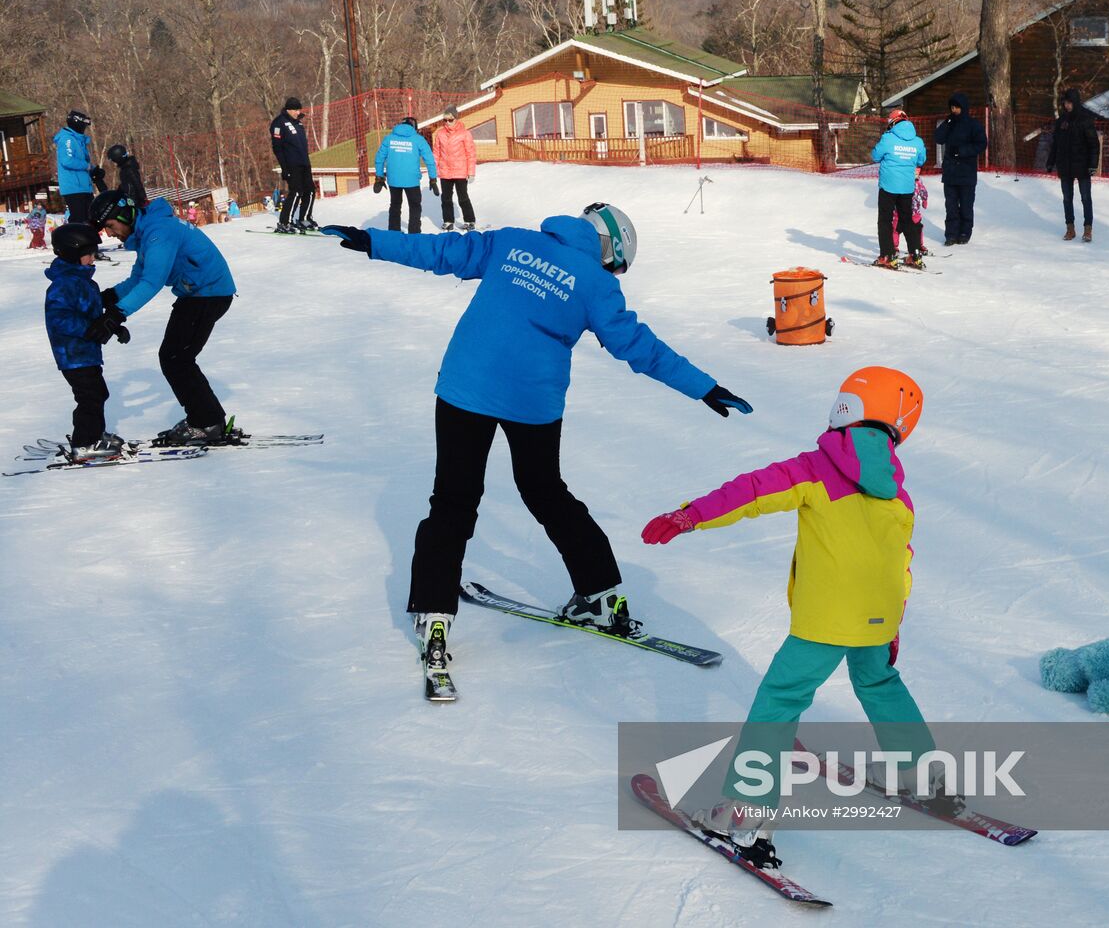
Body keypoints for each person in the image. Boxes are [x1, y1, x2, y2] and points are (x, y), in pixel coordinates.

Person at [320, 204, 753, 687]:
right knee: (545, 491)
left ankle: (433, 615)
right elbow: (640, 347)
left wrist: (376, 241)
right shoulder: (596, 284)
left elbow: (441, 250)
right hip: (532, 399)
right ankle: (601, 595)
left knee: (453, 501)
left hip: (467, 386)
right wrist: (704, 387)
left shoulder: (513, 241)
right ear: (609, 252)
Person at [641, 366, 938, 867]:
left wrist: (689, 514)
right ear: (900, 424)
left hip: (824, 623)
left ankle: (744, 813)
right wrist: (892, 625)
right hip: (877, 619)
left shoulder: (815, 468)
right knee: (880, 682)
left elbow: (751, 491)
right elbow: (900, 564)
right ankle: (926, 775)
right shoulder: (899, 494)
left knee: (780, 700)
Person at [89, 190, 237, 443]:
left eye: (110, 226)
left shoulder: (159, 233)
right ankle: (207, 419)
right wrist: (106, 298)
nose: (110, 234)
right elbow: (138, 278)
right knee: (176, 357)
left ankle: (206, 422)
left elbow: (152, 282)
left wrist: (116, 315)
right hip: (198, 293)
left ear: (126, 215)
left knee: (176, 358)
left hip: (208, 294)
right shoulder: (149, 231)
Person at [44, 222, 131, 463]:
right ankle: (84, 443)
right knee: (90, 396)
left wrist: (113, 327)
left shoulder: (82, 281)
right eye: (89, 253)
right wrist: (90, 330)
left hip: (86, 352)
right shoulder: (64, 285)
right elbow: (60, 319)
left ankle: (94, 433)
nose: (93, 258)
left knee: (97, 393)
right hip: (72, 354)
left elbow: (91, 317)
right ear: (73, 253)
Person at [870, 109, 927, 269]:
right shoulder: (917, 141)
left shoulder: (888, 138)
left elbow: (875, 156)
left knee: (885, 220)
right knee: (907, 219)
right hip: (907, 187)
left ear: (892, 123)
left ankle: (887, 255)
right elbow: (921, 159)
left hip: (888, 186)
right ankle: (915, 254)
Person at [933, 92, 988, 246]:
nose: (954, 109)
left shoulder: (973, 125)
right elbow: (938, 138)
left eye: (957, 107)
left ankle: (965, 232)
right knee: (950, 206)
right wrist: (947, 122)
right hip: (950, 172)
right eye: (952, 107)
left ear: (963, 107)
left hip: (966, 172)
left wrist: (962, 151)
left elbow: (981, 143)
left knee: (966, 205)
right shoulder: (949, 123)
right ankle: (951, 234)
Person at [1045, 88, 1100, 242]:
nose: (1067, 105)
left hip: (1082, 166)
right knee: (1067, 198)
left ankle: (1087, 229)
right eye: (1065, 103)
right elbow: (1055, 144)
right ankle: (1070, 228)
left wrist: (1093, 165)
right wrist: (1050, 162)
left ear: (1075, 102)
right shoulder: (1061, 121)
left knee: (1085, 197)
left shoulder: (1085, 119)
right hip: (1065, 166)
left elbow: (1094, 145)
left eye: (1069, 103)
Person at [373, 116, 438, 234]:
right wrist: (433, 178)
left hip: (394, 179)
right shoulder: (418, 139)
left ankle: (394, 234)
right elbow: (429, 160)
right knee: (415, 206)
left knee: (395, 205)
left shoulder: (389, 139)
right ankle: (414, 234)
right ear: (414, 128)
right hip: (412, 180)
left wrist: (379, 176)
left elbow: (379, 158)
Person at [270, 97, 316, 233]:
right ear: (289, 109)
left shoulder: (298, 123)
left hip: (304, 162)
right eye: (296, 110)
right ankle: (285, 222)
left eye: (299, 109)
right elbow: (277, 148)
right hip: (291, 164)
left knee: (310, 191)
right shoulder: (279, 123)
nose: (298, 112)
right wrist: (285, 168)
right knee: (296, 192)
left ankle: (304, 218)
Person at [54, 110, 107, 227]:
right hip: (73, 187)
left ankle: (89, 242)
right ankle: (76, 242)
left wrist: (94, 170)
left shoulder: (78, 140)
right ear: (77, 123)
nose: (84, 128)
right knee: (79, 220)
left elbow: (82, 161)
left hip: (83, 187)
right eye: (84, 125)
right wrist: (87, 166)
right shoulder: (67, 139)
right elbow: (67, 161)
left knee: (91, 218)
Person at [433, 105, 477, 232]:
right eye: (445, 120)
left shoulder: (465, 134)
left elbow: (470, 153)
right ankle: (448, 221)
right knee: (446, 198)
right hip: (445, 171)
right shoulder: (440, 134)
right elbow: (436, 153)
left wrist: (471, 172)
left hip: (460, 171)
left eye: (450, 120)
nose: (448, 123)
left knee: (463, 197)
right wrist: (434, 170)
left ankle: (469, 220)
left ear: (456, 119)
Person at [893, 171, 928, 256]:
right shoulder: (900, 181)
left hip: (915, 212)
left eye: (917, 173)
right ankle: (893, 247)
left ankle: (919, 245)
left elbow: (924, 192)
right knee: (896, 229)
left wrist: (924, 200)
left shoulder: (919, 182)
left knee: (917, 229)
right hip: (900, 213)